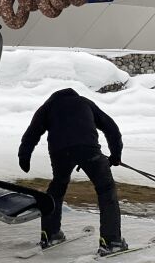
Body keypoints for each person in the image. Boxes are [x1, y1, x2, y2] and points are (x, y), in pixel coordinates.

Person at [18, 88, 128, 257]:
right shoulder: (84, 102)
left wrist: (24, 158)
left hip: (59, 152)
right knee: (106, 189)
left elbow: (31, 134)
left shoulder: (47, 107)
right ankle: (112, 241)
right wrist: (116, 155)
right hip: (88, 150)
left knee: (57, 187)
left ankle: (51, 234)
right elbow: (111, 128)